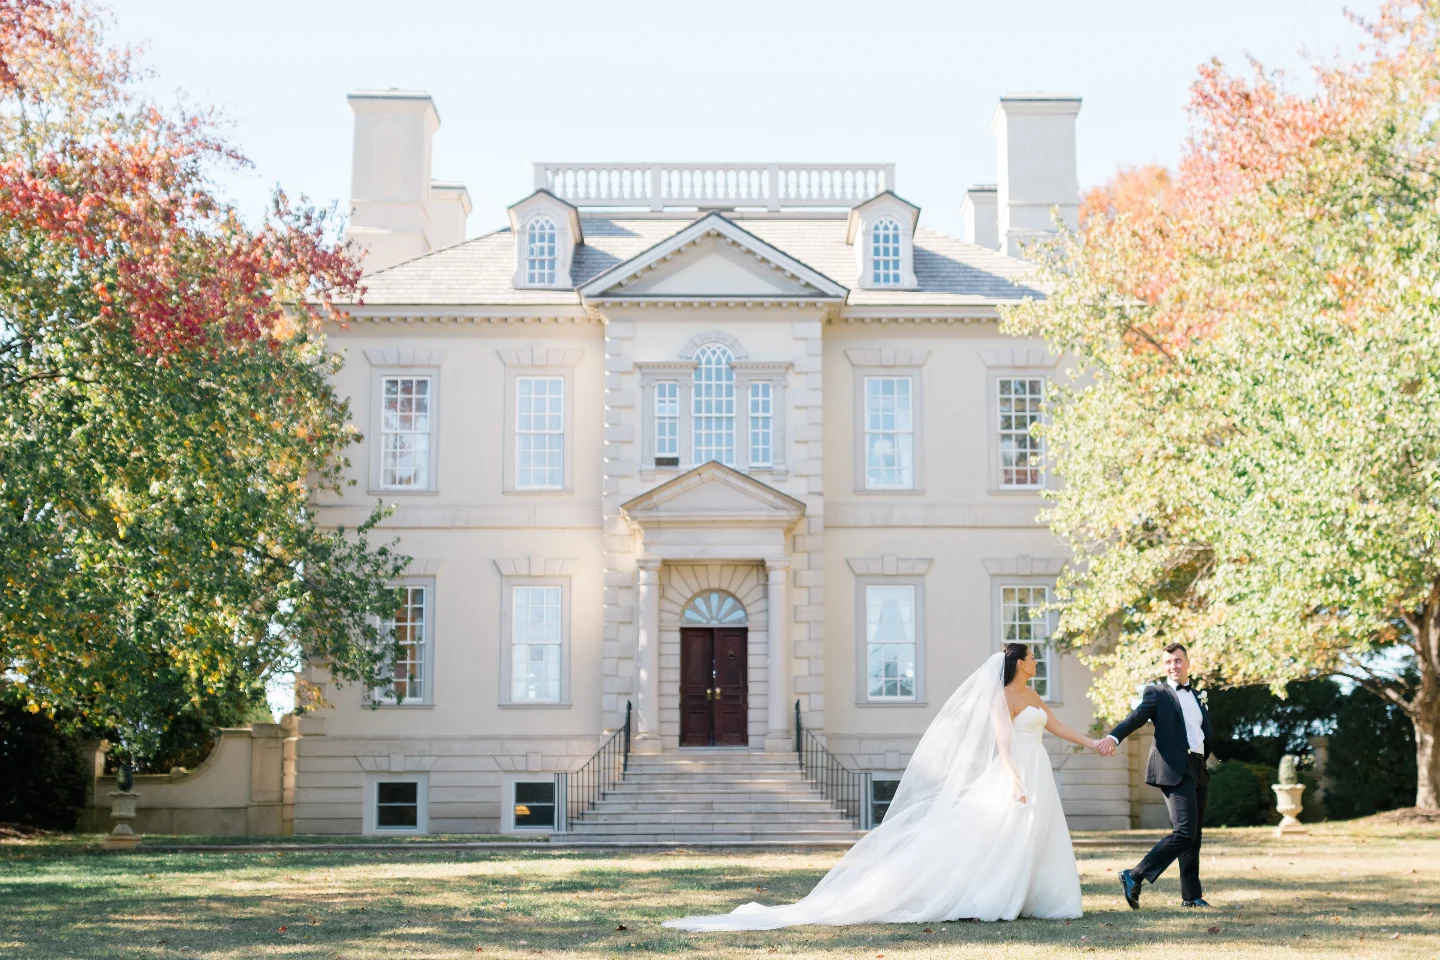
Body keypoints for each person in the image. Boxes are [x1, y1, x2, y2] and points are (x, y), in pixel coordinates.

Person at [663, 643, 1103, 930]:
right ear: (1018, 662)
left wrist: (1095, 743)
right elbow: (1003, 741)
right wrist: (1014, 777)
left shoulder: (1033, 695)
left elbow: (1059, 726)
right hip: (1019, 770)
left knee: (1037, 834)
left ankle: (1041, 897)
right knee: (1005, 834)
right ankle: (996, 895)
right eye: (1032, 658)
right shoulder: (1001, 698)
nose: (1036, 662)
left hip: (1039, 766)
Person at [1096, 642, 1213, 909]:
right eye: (1169, 662)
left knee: (1193, 835)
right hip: (1174, 768)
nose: (1174, 666)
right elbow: (1136, 717)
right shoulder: (1157, 694)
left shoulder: (1198, 696)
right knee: (1184, 832)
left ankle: (1191, 896)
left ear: (1188, 663)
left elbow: (1202, 731)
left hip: (1198, 768)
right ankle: (1134, 874)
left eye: (1178, 661)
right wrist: (1114, 737)